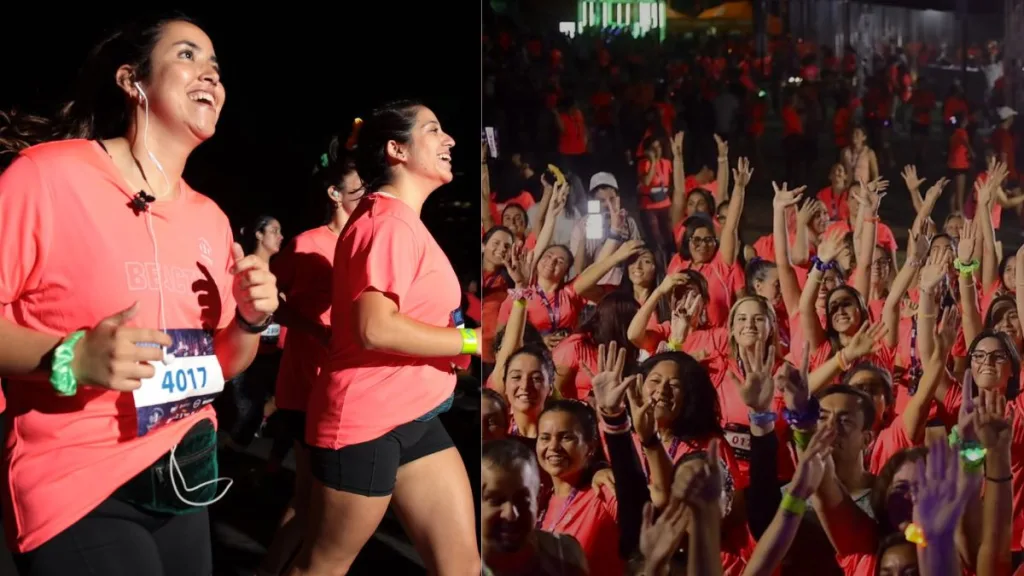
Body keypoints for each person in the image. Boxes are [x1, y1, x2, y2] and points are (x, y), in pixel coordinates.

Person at [0, 14, 278, 575]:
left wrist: (247, 321)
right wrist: (71, 356)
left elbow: (221, 364)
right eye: (187, 56)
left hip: (182, 478)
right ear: (132, 82)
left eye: (216, 68)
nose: (210, 76)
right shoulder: (46, 176)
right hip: (77, 481)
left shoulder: (212, 220)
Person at [293, 101, 480, 575]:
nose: (450, 141)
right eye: (434, 130)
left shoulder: (399, 220)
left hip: (415, 414)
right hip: (368, 422)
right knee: (323, 565)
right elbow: (376, 327)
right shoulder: (389, 222)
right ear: (397, 150)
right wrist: (470, 342)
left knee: (460, 564)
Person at [258, 146, 364, 576]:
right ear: (336, 194)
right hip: (307, 384)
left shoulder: (363, 243)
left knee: (317, 501)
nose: (369, 195)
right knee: (310, 500)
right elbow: (270, 304)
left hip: (348, 387)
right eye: (360, 188)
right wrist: (315, 328)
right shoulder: (307, 242)